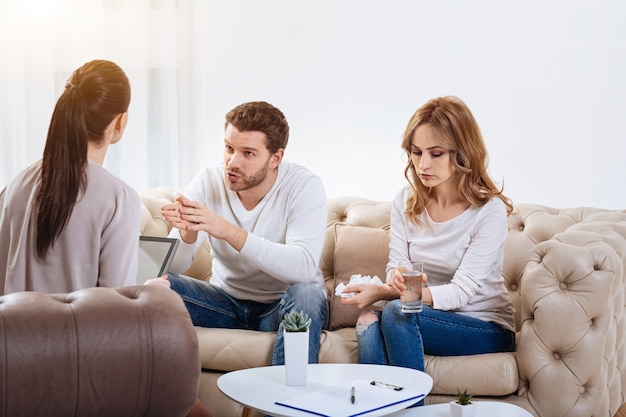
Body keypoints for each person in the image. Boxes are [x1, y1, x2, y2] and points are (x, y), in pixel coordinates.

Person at [341, 96, 516, 383]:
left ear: (462, 153)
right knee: (380, 318)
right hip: (423, 314)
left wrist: (386, 293)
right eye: (416, 152)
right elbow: (397, 267)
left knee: (395, 313)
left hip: (484, 327)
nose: (423, 164)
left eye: (436, 154)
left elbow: (462, 292)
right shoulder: (405, 203)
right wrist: (395, 278)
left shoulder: (488, 211)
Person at [147, 101, 328, 366]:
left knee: (307, 295)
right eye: (229, 148)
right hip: (223, 304)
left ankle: (282, 405)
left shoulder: (303, 186)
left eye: (248, 153)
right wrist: (186, 233)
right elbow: (173, 266)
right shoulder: (208, 180)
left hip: (280, 307)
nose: (232, 162)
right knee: (157, 287)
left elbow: (302, 267)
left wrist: (227, 231)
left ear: (275, 158)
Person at [0, 59, 139, 294]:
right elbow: (116, 311)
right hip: (76, 332)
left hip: (10, 331)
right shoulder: (119, 199)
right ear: (120, 121)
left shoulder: (15, 185)